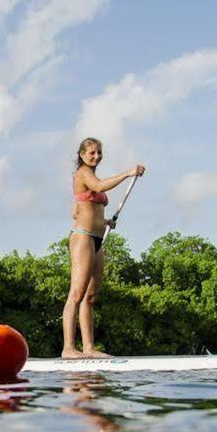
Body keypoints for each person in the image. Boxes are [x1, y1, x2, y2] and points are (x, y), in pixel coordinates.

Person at [62, 137, 144, 359]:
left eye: (99, 153)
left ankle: (88, 348)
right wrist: (128, 173)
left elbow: (84, 208)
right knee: (76, 293)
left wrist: (105, 222)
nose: (96, 156)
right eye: (92, 153)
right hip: (83, 238)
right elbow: (97, 187)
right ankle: (68, 348)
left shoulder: (91, 175)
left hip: (98, 239)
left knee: (90, 296)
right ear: (82, 155)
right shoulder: (83, 174)